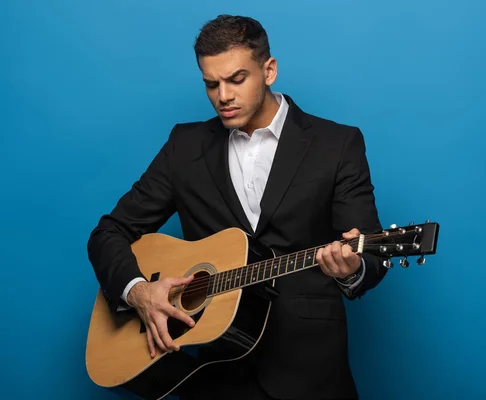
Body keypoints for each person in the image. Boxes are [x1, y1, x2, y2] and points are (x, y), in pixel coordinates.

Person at [87, 14, 388, 400]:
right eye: (211, 84)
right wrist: (138, 291)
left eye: (236, 79)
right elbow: (108, 233)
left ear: (269, 70)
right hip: (216, 373)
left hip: (310, 372)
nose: (222, 96)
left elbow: (372, 254)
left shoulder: (338, 144)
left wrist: (352, 269)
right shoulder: (185, 146)